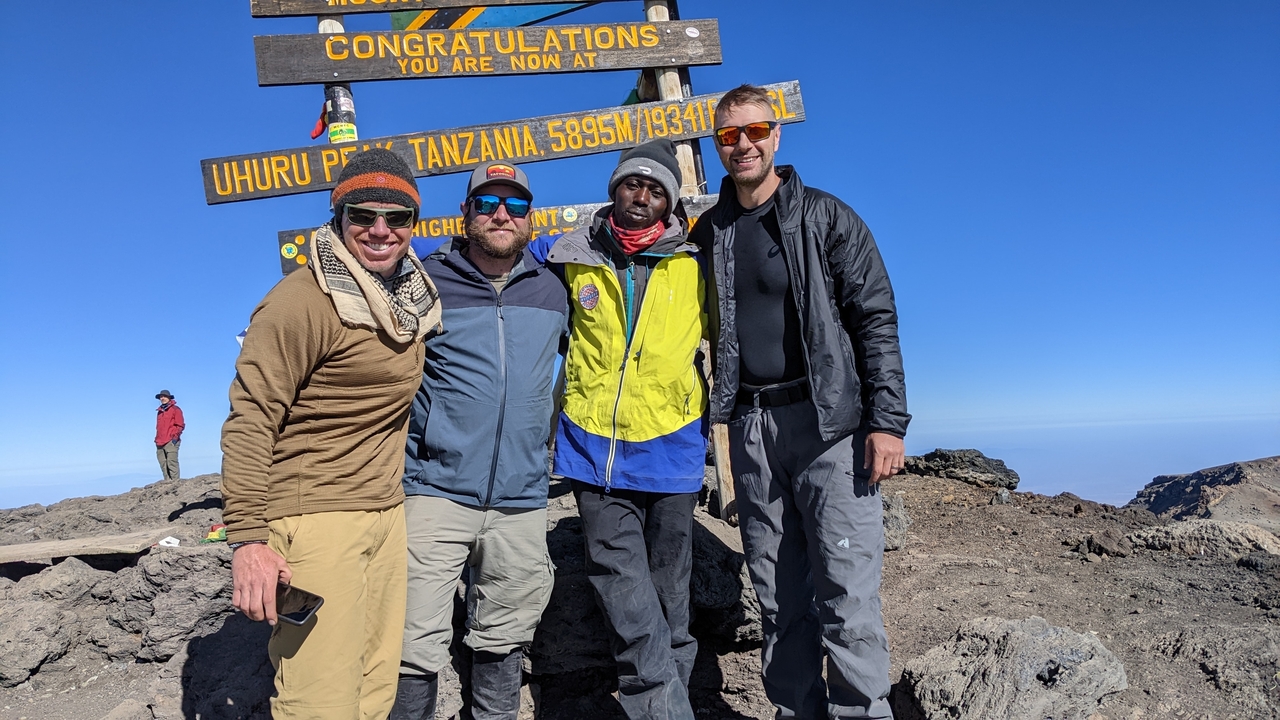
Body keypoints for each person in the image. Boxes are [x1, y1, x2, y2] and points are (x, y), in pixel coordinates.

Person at [691, 84, 910, 720]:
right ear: (717, 143)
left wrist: (886, 422)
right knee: (778, 596)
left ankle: (860, 712)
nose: (744, 145)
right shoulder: (710, 233)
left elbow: (875, 318)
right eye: (730, 136)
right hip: (754, 430)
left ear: (776, 134)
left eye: (755, 131)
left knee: (847, 593)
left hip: (831, 425)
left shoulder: (827, 216)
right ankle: (797, 711)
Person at [220, 148, 442, 720]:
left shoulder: (411, 300)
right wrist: (247, 540)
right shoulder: (304, 300)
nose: (380, 230)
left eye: (397, 218)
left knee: (373, 692)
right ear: (337, 218)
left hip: (384, 515)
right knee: (319, 700)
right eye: (362, 215)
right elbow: (251, 417)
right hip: (315, 519)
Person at [391, 162, 567, 720]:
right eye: (487, 204)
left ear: (530, 220)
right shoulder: (424, 282)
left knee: (504, 637)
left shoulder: (553, 289)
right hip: (434, 492)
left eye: (514, 206)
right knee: (411, 643)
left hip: (520, 497)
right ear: (465, 214)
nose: (500, 215)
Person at [544, 139, 708, 720]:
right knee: (629, 602)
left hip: (673, 449)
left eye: (655, 189)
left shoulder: (696, 260)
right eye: (632, 184)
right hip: (596, 454)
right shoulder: (568, 254)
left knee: (670, 603)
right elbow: (502, 255)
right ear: (614, 189)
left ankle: (671, 707)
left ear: (670, 202)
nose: (642, 196)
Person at [154, 390, 184, 480]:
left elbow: (180, 425)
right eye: (161, 397)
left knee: (172, 462)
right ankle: (167, 484)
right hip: (160, 441)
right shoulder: (159, 411)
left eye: (164, 396)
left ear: (169, 398)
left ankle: (175, 484)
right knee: (163, 463)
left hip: (171, 440)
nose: (162, 398)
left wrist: (175, 438)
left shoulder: (175, 409)